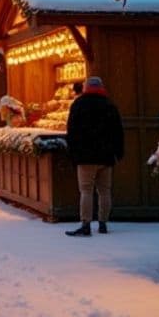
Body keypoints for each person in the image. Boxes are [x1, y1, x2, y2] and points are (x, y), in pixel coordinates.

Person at [65, 76, 124, 237]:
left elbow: (72, 131)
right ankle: (103, 223)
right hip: (106, 156)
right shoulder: (110, 105)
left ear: (86, 88)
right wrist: (118, 153)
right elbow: (118, 131)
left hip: (85, 156)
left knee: (86, 191)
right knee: (105, 191)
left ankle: (86, 224)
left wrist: (73, 153)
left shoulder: (78, 105)